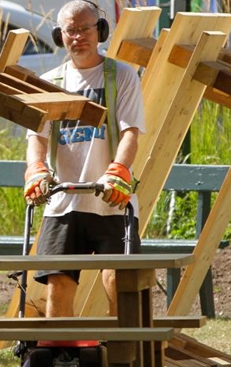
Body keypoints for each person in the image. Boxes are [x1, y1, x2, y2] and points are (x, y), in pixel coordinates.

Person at [24, 0, 145, 318]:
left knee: (119, 280)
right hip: (63, 202)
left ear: (101, 31)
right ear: (58, 35)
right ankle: (61, 355)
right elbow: (37, 136)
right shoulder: (50, 83)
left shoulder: (121, 76)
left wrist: (119, 170)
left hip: (112, 200)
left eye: (85, 29)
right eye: (70, 31)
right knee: (58, 284)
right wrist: (36, 169)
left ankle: (123, 357)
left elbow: (131, 131)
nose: (78, 37)